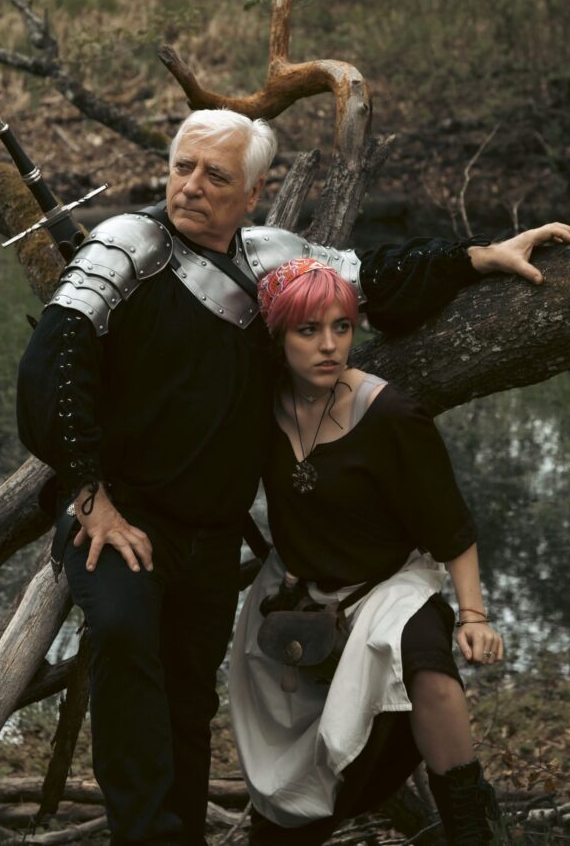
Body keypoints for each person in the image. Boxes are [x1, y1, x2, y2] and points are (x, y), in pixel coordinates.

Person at [16, 107, 570, 846]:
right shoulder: (124, 246)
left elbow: (370, 280)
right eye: (182, 166)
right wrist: (92, 496)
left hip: (210, 534)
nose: (190, 186)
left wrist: (475, 257)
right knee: (124, 644)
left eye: (215, 175)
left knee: (188, 697)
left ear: (252, 194)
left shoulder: (269, 259)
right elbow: (53, 365)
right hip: (117, 518)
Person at [229, 258, 505, 845]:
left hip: (387, 589)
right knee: (287, 793)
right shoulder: (259, 405)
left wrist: (474, 617)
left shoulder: (392, 416)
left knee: (424, 657)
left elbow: (451, 529)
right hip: (296, 593)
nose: (330, 346)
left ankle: (472, 827)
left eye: (343, 327)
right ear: (277, 337)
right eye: (309, 331)